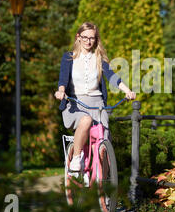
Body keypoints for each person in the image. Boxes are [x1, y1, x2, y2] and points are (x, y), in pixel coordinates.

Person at [54, 22, 136, 171]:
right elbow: (63, 80)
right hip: (75, 104)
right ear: (78, 37)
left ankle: (103, 189)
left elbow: (112, 77)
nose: (88, 41)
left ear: (96, 39)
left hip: (98, 104)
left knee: (103, 147)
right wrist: (61, 92)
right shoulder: (68, 57)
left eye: (92, 38)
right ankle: (77, 158)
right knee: (86, 121)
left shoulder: (99, 58)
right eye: (85, 37)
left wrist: (127, 90)